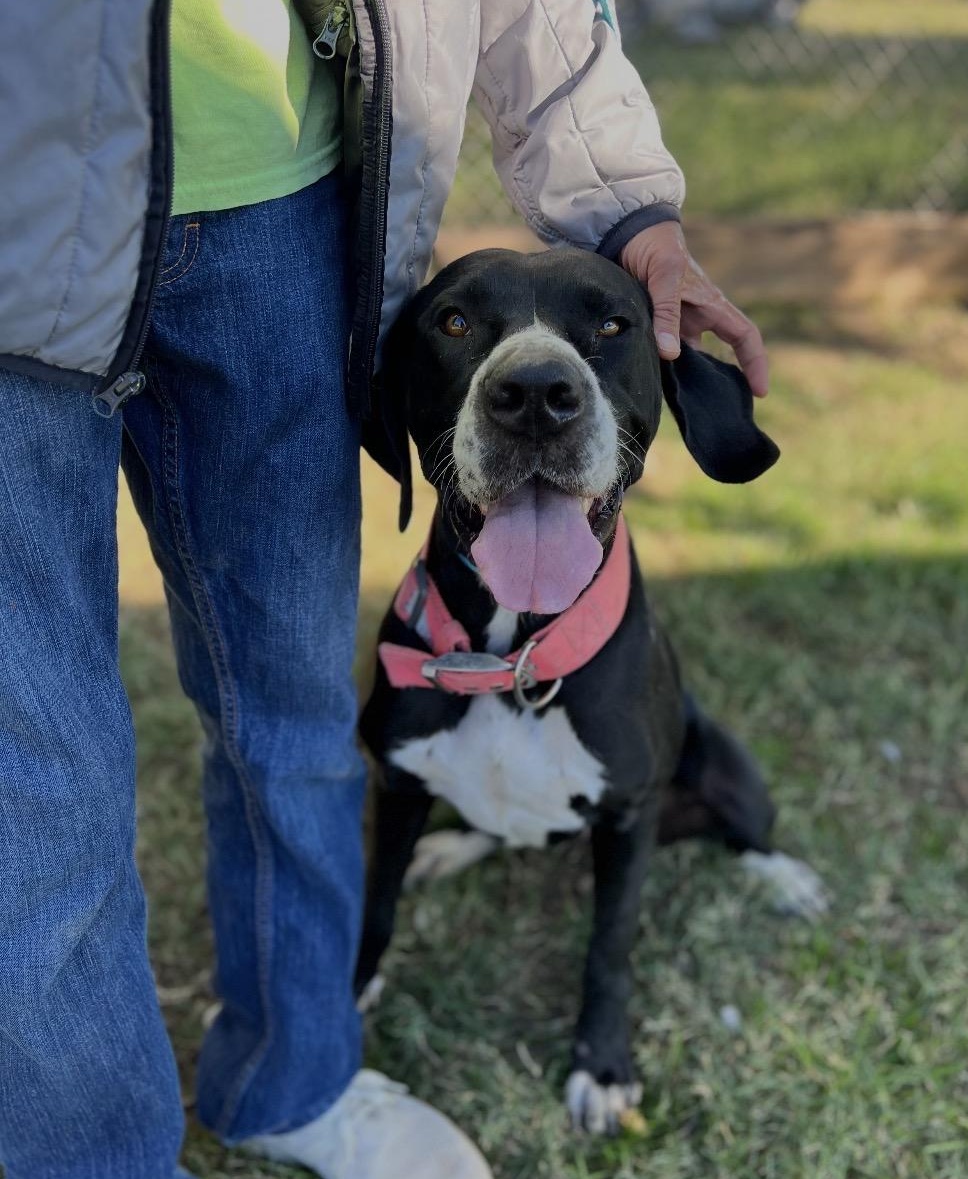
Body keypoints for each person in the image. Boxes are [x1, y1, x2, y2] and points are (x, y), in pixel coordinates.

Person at [0, 2, 768, 1176]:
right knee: (31, 775)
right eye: (465, 332)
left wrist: (625, 201)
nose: (532, 384)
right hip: (12, 193)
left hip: (285, 208)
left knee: (294, 721)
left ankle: (297, 1078)